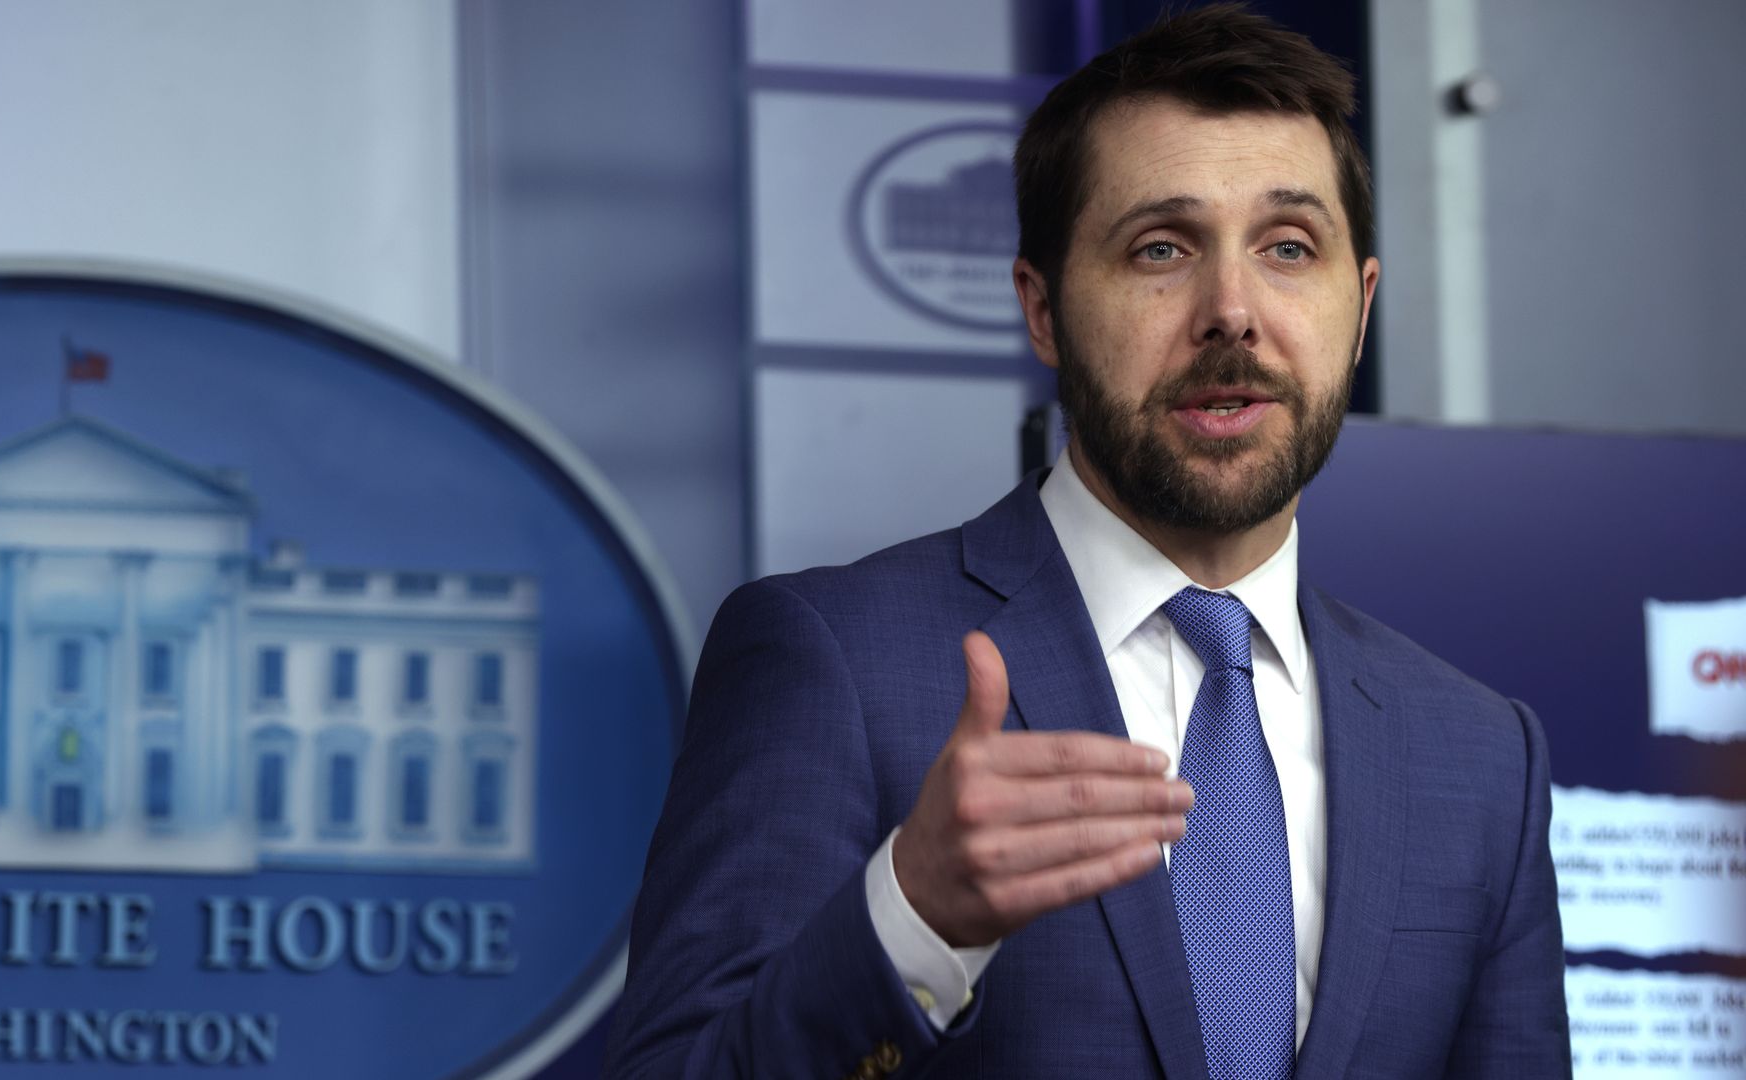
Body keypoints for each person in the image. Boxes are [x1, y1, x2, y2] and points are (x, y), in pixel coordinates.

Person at [603, 5, 1570, 1078]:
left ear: (1362, 306)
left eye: (1289, 248)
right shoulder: (829, 658)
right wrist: (912, 917)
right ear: (1043, 309)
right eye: (1161, 247)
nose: (1232, 312)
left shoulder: (1482, 755)